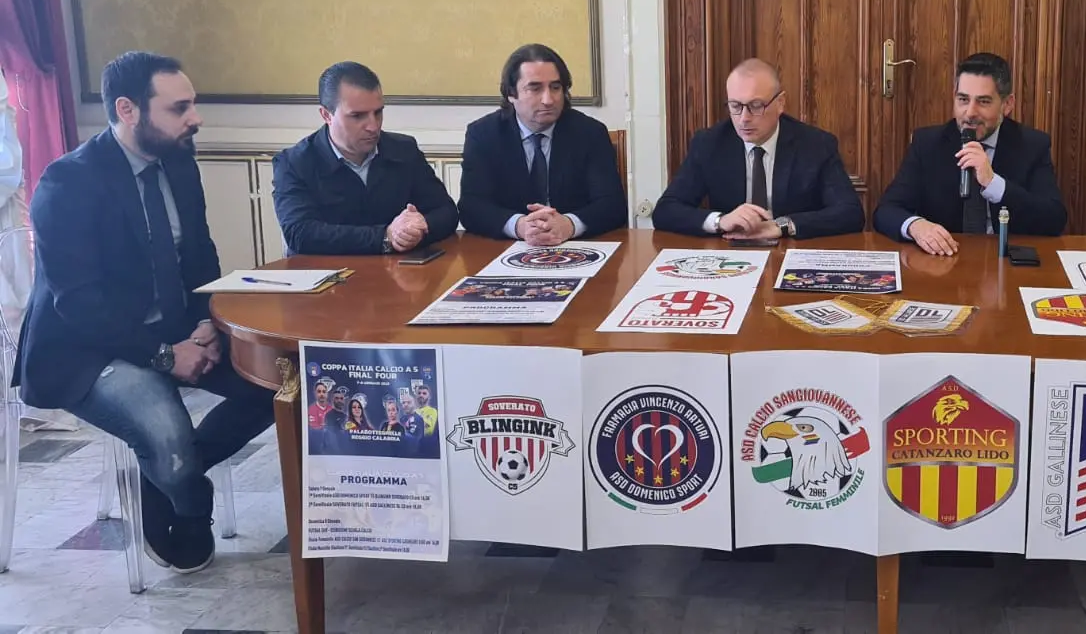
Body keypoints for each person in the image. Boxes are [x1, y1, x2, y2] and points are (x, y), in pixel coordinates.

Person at [12, 51, 275, 575]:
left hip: (175, 325)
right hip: (88, 348)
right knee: (165, 431)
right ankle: (189, 499)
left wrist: (206, 322)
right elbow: (79, 305)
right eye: (179, 108)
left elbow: (200, 255)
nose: (196, 118)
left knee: (278, 382)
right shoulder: (68, 183)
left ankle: (161, 476)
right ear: (127, 110)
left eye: (192, 105)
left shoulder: (178, 161)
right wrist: (164, 355)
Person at [874, 53, 1067, 255]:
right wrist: (916, 226)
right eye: (963, 99)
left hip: (1004, 260)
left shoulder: (1032, 145)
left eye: (983, 101)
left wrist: (994, 184)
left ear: (1007, 104)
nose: (970, 112)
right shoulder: (927, 143)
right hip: (944, 260)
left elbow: (1054, 219)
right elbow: (886, 210)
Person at [653, 59, 864, 240]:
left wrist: (783, 225)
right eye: (735, 106)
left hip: (790, 251)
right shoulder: (709, 144)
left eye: (755, 106)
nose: (744, 118)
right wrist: (720, 221)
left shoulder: (816, 145)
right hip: (731, 252)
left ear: (780, 103)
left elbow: (850, 213)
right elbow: (666, 210)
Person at [273, 62, 458, 256]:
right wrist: (384, 237)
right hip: (328, 272)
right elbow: (300, 233)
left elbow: (446, 211)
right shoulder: (293, 163)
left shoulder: (403, 150)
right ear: (327, 115)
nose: (373, 126)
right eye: (357, 116)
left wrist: (419, 227)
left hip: (396, 270)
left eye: (378, 112)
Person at [458, 44, 627, 244]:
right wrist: (519, 226)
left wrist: (569, 224)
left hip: (575, 245)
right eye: (535, 88)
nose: (548, 100)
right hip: (507, 248)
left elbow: (612, 205)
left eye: (555, 88)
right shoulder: (484, 135)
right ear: (511, 94)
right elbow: (472, 206)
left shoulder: (589, 133)